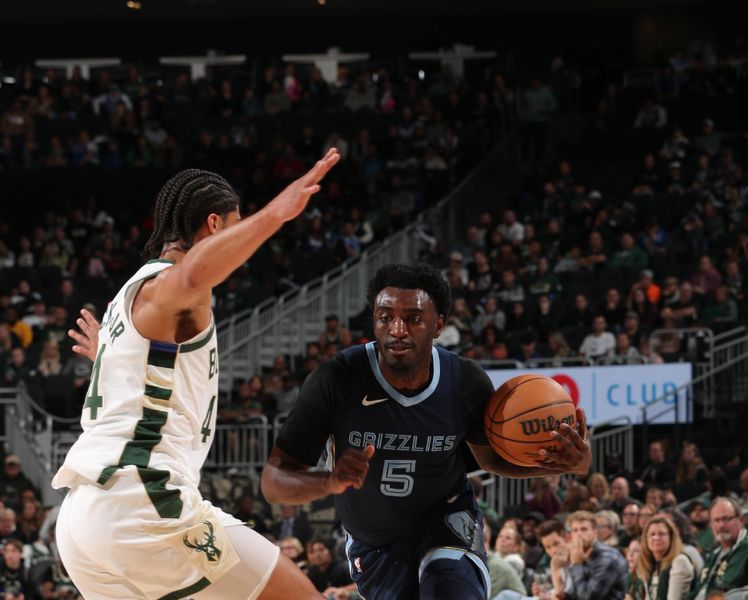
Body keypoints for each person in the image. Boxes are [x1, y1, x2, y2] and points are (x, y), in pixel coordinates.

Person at [52, 150, 341, 600]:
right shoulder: (175, 283)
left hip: (82, 521)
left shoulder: (129, 297)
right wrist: (274, 216)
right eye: (236, 223)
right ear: (213, 225)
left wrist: (108, 359)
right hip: (140, 499)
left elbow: (140, 382)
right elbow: (194, 275)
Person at [262, 263, 592, 600]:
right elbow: (273, 482)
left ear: (439, 324)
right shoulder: (336, 379)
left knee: (448, 587)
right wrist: (328, 481)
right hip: (375, 542)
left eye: (413, 318)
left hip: (447, 518)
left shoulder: (464, 381)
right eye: (385, 316)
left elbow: (492, 459)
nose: (398, 329)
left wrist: (566, 465)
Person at [688, 497, 748, 600]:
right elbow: (698, 589)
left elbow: (725, 588)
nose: (721, 525)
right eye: (716, 520)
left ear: (741, 520)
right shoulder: (715, 552)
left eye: (726, 519)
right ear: (711, 524)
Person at [561, 511, 628, 600]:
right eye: (575, 530)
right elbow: (574, 592)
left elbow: (589, 597)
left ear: (594, 532)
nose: (579, 534)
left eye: (584, 529)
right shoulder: (578, 554)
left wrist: (576, 565)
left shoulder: (608, 557)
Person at [630, 517, 695, 600]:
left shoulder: (680, 562)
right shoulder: (650, 565)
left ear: (671, 538)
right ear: (646, 539)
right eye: (652, 534)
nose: (656, 538)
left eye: (661, 534)